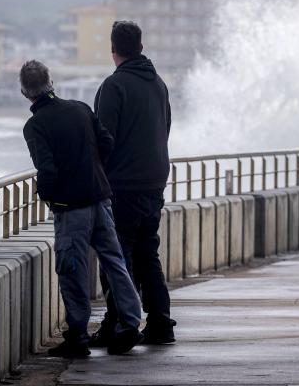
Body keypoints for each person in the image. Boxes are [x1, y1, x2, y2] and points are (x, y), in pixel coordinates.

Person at [20, 60, 144, 357]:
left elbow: (46, 170)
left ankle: (77, 336)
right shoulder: (80, 108)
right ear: (51, 82)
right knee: (115, 262)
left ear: (24, 91)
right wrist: (94, 171)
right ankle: (129, 324)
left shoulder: (35, 125)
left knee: (71, 269)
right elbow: (107, 142)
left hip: (70, 207)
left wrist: (49, 196)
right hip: (100, 199)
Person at [90, 21, 175, 346]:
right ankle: (161, 324)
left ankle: (118, 324)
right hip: (154, 183)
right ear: (140, 46)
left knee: (117, 256)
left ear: (113, 50)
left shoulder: (115, 86)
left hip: (122, 187)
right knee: (147, 255)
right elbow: (165, 128)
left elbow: (103, 141)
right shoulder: (159, 84)